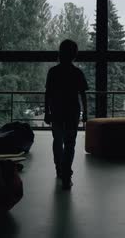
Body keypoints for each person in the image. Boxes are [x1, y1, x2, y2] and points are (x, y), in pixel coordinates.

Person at [44, 39, 88, 190]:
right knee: (70, 144)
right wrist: (86, 114)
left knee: (57, 140)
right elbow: (83, 95)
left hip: (56, 111)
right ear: (74, 54)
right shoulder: (77, 73)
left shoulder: (53, 72)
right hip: (72, 113)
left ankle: (59, 169)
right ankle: (66, 175)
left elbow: (48, 94)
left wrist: (46, 112)